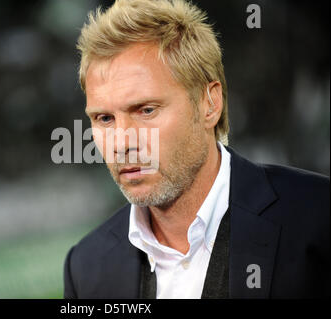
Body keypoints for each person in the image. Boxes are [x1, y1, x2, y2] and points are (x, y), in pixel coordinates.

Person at [63, 0, 329, 298]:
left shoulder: (318, 218)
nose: (122, 143)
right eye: (105, 118)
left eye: (146, 110)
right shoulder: (85, 268)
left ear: (209, 104)